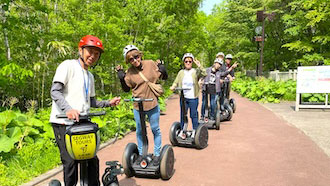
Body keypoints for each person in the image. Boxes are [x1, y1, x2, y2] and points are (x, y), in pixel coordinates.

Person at [49, 35, 121, 186]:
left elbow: (92, 101)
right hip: (63, 122)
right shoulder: (68, 66)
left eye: (97, 54)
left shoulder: (90, 76)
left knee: (91, 160)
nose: (93, 56)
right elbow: (55, 91)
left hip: (82, 123)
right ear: (80, 50)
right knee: (70, 162)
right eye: (90, 51)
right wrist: (68, 109)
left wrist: (109, 103)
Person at [116, 45, 168, 166]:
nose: (135, 60)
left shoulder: (150, 64)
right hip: (137, 105)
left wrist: (162, 68)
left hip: (152, 103)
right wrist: (121, 78)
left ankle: (157, 154)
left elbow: (164, 76)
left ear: (140, 55)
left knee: (155, 129)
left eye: (136, 56)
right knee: (140, 131)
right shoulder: (129, 72)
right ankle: (141, 153)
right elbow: (126, 89)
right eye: (131, 59)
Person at [170, 53, 206, 139]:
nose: (188, 63)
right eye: (186, 61)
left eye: (190, 61)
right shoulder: (181, 72)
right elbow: (176, 81)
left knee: (193, 114)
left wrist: (199, 66)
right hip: (183, 97)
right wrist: (173, 86)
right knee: (183, 114)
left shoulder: (195, 71)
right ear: (184, 62)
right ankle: (183, 129)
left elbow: (204, 74)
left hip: (193, 97)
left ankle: (194, 130)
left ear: (192, 62)